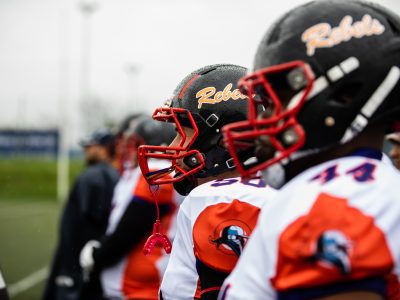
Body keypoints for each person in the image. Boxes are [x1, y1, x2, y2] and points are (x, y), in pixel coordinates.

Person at [220, 1, 400, 299]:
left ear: (346, 95)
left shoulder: (335, 201)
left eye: (279, 99)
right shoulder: (368, 186)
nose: (264, 121)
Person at [137, 64, 276, 299]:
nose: (172, 147)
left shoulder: (220, 200)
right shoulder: (277, 189)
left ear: (224, 141)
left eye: (184, 132)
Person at [79, 115, 181, 300]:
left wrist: (99, 255)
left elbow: (130, 229)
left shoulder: (158, 171)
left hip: (142, 289)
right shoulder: (137, 173)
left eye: (134, 144)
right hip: (132, 287)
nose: (127, 150)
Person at [43, 129, 119, 300]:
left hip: (78, 260)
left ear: (105, 148)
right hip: (96, 260)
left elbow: (93, 217)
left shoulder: (93, 175)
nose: (86, 150)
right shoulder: (114, 174)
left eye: (91, 146)